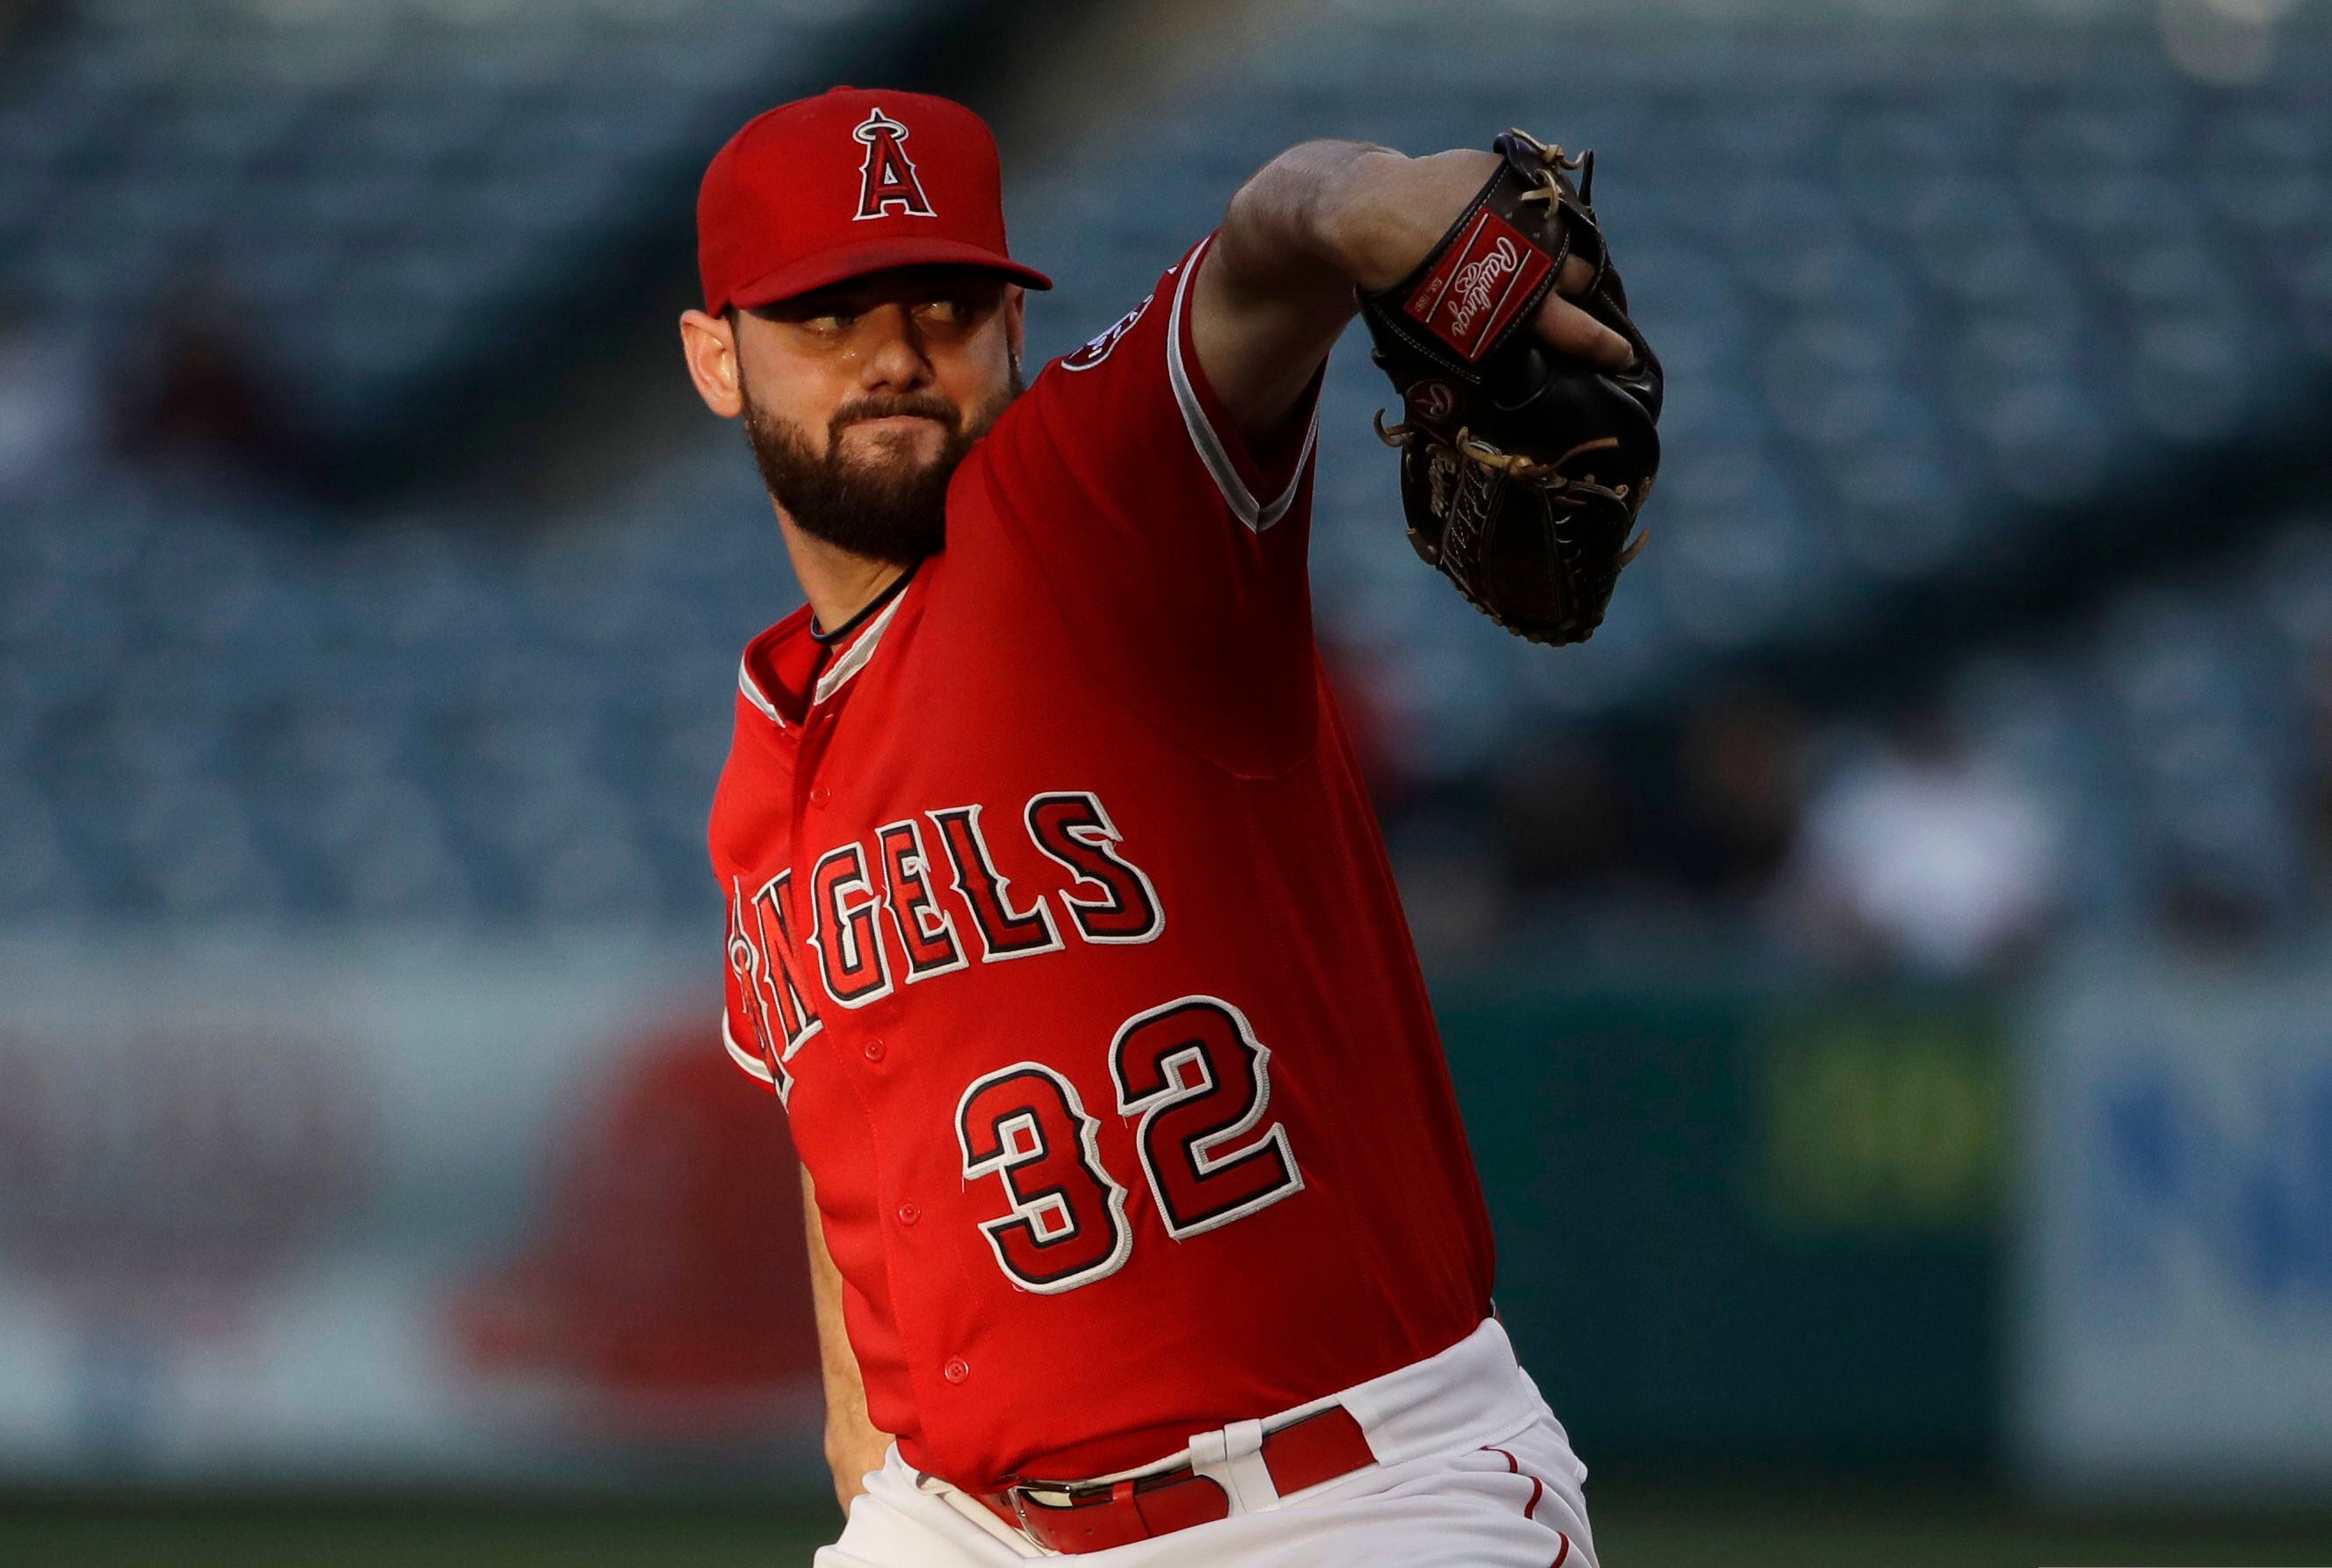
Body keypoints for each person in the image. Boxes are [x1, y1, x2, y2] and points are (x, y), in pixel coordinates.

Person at [679, 86, 1632, 1565]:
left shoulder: (1094, 501)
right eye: (827, 314)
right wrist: (863, 1455)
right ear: (714, 358)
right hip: (962, 1523)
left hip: (1349, 1496)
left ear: (1008, 326)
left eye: (944, 302)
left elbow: (1264, 249)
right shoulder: (768, 739)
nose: (893, 355)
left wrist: (1358, 202)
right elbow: (840, 1117)